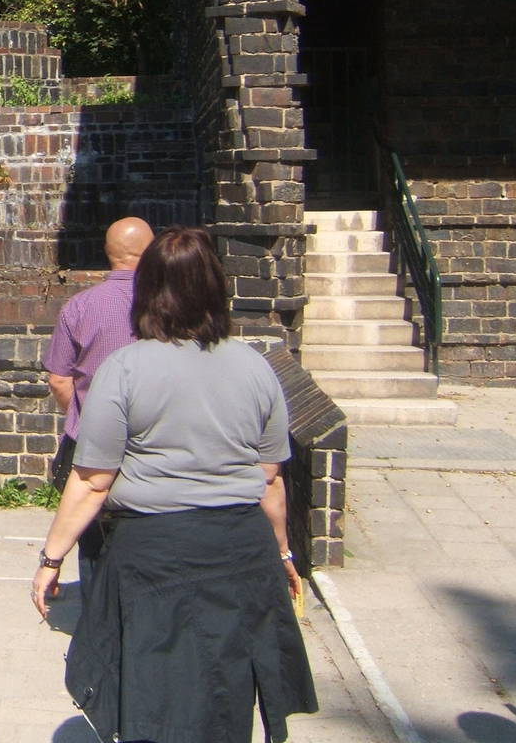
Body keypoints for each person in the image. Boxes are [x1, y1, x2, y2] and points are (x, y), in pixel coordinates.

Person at [30, 226, 317, 743]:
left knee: (153, 688)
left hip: (156, 552)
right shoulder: (256, 367)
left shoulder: (125, 369)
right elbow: (270, 480)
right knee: (227, 685)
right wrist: (282, 556)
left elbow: (94, 480)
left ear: (149, 290)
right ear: (216, 288)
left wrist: (52, 559)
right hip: (240, 549)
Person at [43, 216, 153, 583]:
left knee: (91, 532)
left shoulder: (80, 306)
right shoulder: (169, 305)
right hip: (152, 443)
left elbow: (60, 380)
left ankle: (96, 614)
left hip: (92, 442)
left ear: (109, 254)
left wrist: (85, 420)